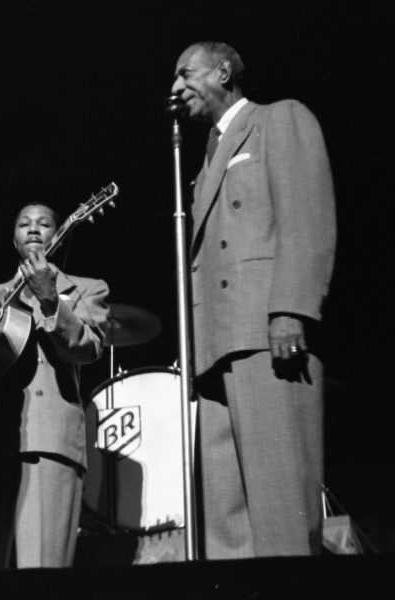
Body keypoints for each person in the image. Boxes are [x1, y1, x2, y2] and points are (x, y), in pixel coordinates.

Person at [171, 41, 336, 558]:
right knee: (227, 519)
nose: (175, 88)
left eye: (184, 74)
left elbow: (305, 216)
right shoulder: (202, 161)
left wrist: (290, 308)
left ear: (224, 71)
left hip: (266, 337)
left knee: (281, 506)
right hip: (216, 348)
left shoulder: (279, 120)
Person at [0, 203, 108, 569]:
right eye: (24, 224)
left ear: (58, 233)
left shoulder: (87, 289)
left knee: (41, 572)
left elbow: (88, 349)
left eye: (44, 224)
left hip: (48, 440)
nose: (34, 229)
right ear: (14, 238)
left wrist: (51, 299)